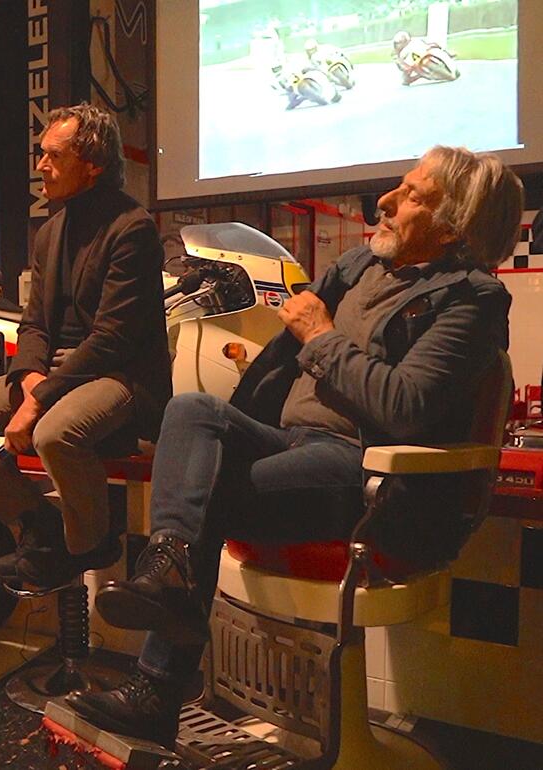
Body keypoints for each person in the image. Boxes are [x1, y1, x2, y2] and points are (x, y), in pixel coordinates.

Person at [68, 146, 524, 746]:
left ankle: (156, 688)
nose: (385, 201)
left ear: (452, 227)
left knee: (207, 495)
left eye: (413, 195)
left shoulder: (472, 298)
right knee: (192, 409)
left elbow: (404, 406)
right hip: (293, 442)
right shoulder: (359, 268)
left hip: (366, 472)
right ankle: (168, 569)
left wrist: (321, 335)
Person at [0, 103, 172, 591]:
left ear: (93, 164)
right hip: (56, 374)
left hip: (119, 376)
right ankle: (40, 525)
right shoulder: (51, 231)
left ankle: (89, 545)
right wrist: (31, 378)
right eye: (42, 154)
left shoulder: (133, 227)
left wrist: (38, 400)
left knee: (54, 434)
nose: (41, 166)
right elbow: (35, 323)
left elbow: (112, 339)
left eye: (54, 156)